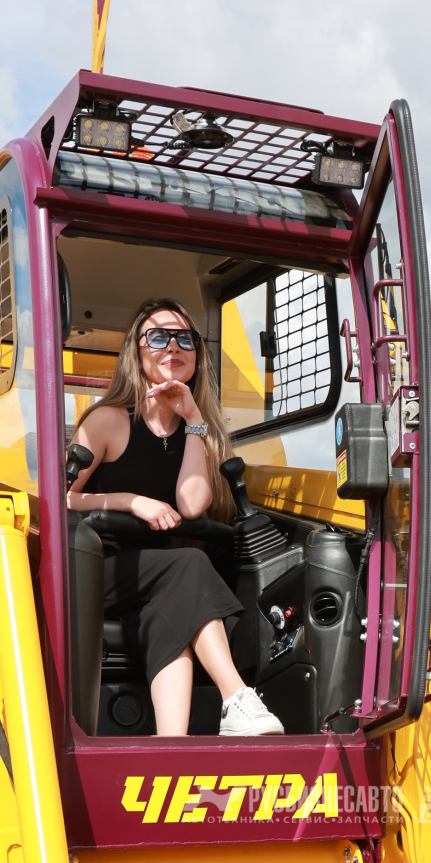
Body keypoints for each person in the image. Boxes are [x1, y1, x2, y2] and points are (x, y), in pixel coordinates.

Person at [67, 297, 283, 737]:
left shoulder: (197, 433)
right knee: (190, 565)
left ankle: (172, 751)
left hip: (158, 580)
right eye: (159, 337)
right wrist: (130, 501)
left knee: (174, 622)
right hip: (99, 570)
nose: (173, 347)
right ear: (136, 351)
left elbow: (191, 505)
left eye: (185, 339)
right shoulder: (107, 421)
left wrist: (194, 417)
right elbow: (60, 499)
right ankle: (236, 697)